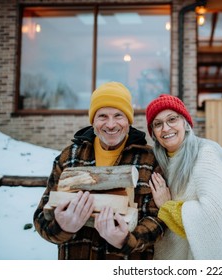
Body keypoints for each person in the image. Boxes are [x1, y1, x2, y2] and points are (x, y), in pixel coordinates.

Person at [33, 82, 166, 260]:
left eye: (118, 115)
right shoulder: (69, 157)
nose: (111, 125)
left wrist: (126, 240)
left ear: (128, 120)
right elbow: (41, 217)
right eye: (102, 116)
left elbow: (159, 219)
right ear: (93, 120)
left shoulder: (149, 159)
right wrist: (62, 228)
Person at [145, 94, 222, 260]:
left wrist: (166, 205)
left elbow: (214, 216)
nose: (165, 128)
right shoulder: (161, 162)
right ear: (153, 133)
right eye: (158, 124)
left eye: (172, 119)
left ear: (185, 123)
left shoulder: (206, 155)